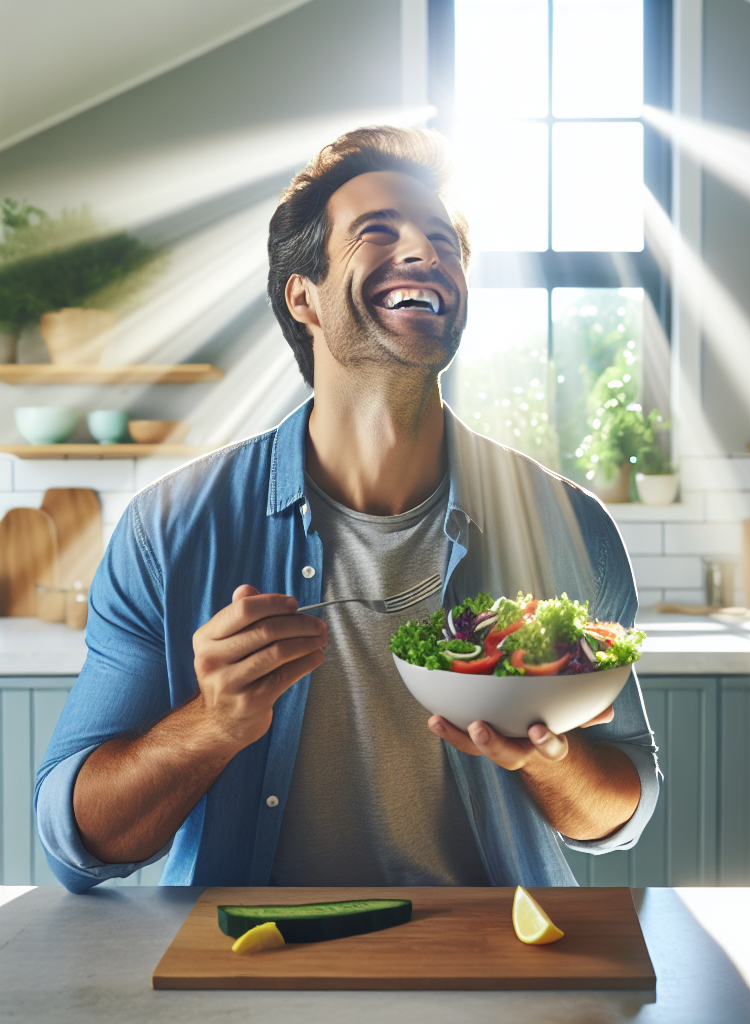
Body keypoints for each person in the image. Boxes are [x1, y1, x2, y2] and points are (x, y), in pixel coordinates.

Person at [36, 126, 660, 893]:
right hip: (253, 963)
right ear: (303, 295)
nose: (425, 253)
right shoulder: (168, 531)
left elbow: (618, 810)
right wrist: (211, 725)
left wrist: (549, 760)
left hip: (496, 964)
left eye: (443, 241)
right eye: (378, 231)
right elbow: (76, 842)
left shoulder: (571, 527)